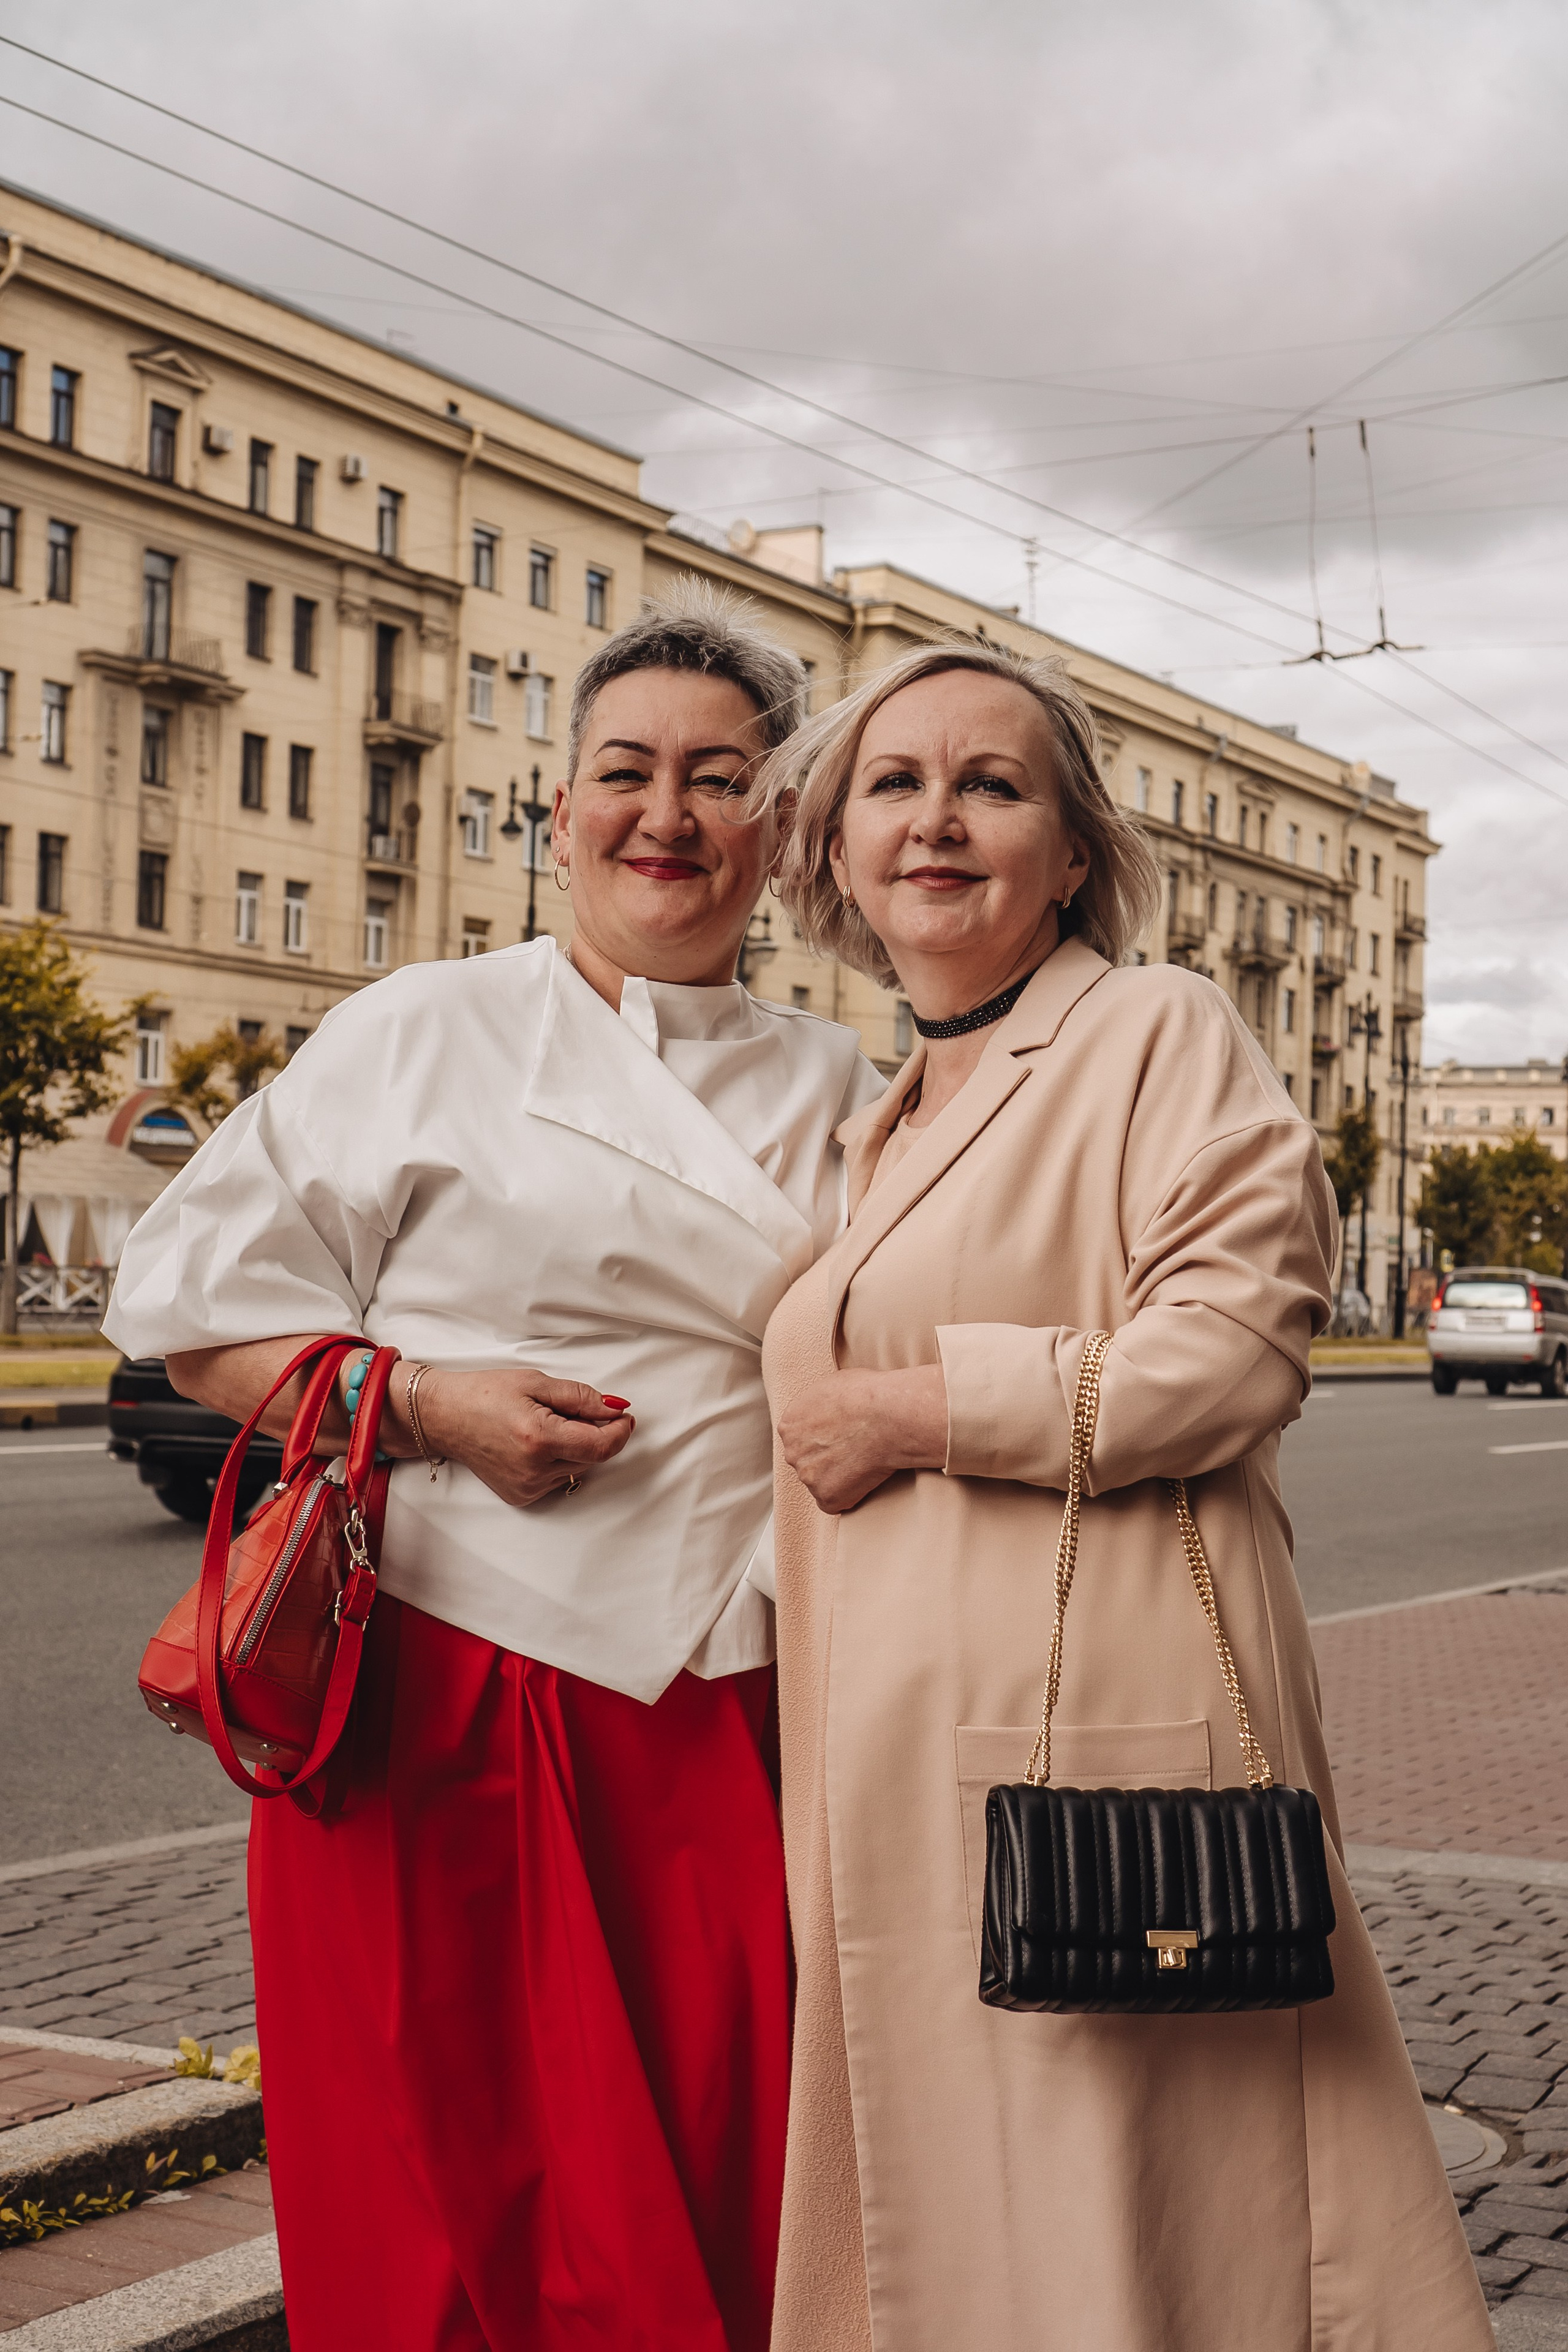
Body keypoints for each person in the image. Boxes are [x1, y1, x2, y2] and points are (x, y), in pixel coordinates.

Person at [104, 584, 883, 2352]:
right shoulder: (421, 1029)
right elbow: (187, 1310)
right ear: (561, 816)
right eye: (624, 770)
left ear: (780, 830)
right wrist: (427, 1405)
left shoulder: (849, 1083)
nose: (664, 815)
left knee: (717, 2178)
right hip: (435, 1690)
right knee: (434, 2189)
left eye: (718, 777)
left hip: (727, 1699)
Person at [754, 641, 1491, 2352]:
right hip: (906, 1764)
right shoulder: (887, 1108)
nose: (936, 821)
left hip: (1092, 1747)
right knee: (984, 2217)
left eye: (991, 786)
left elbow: (1232, 1352)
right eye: (895, 784)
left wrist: (916, 1413)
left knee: (1132, 2216)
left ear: (1074, 853)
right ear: (841, 849)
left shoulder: (1153, 1028)